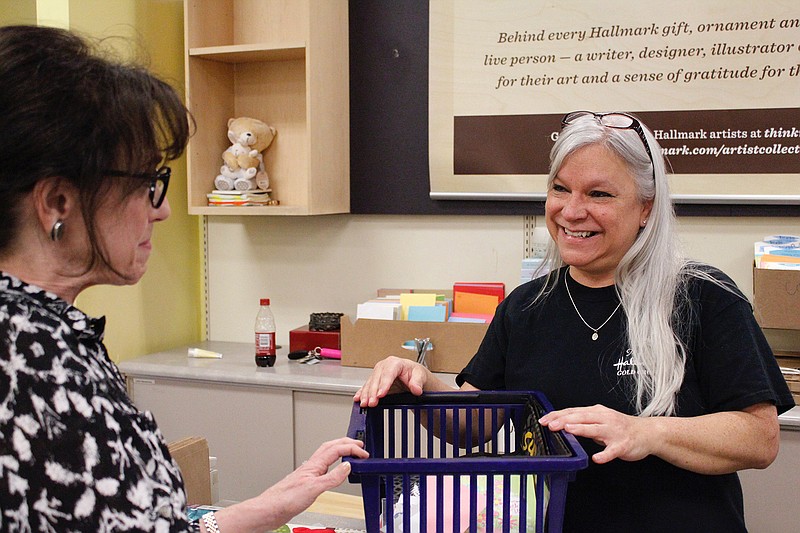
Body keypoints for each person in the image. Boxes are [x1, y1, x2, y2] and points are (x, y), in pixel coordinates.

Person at [0, 25, 367, 532]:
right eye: (146, 184)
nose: (164, 210)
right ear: (58, 202)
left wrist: (266, 508)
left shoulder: (46, 337)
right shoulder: (34, 370)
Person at [355, 110, 794, 532]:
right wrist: (421, 383)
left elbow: (759, 438)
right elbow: (476, 423)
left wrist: (646, 432)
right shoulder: (526, 307)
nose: (571, 210)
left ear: (646, 207)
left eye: (599, 194)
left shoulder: (705, 297)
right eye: (561, 189)